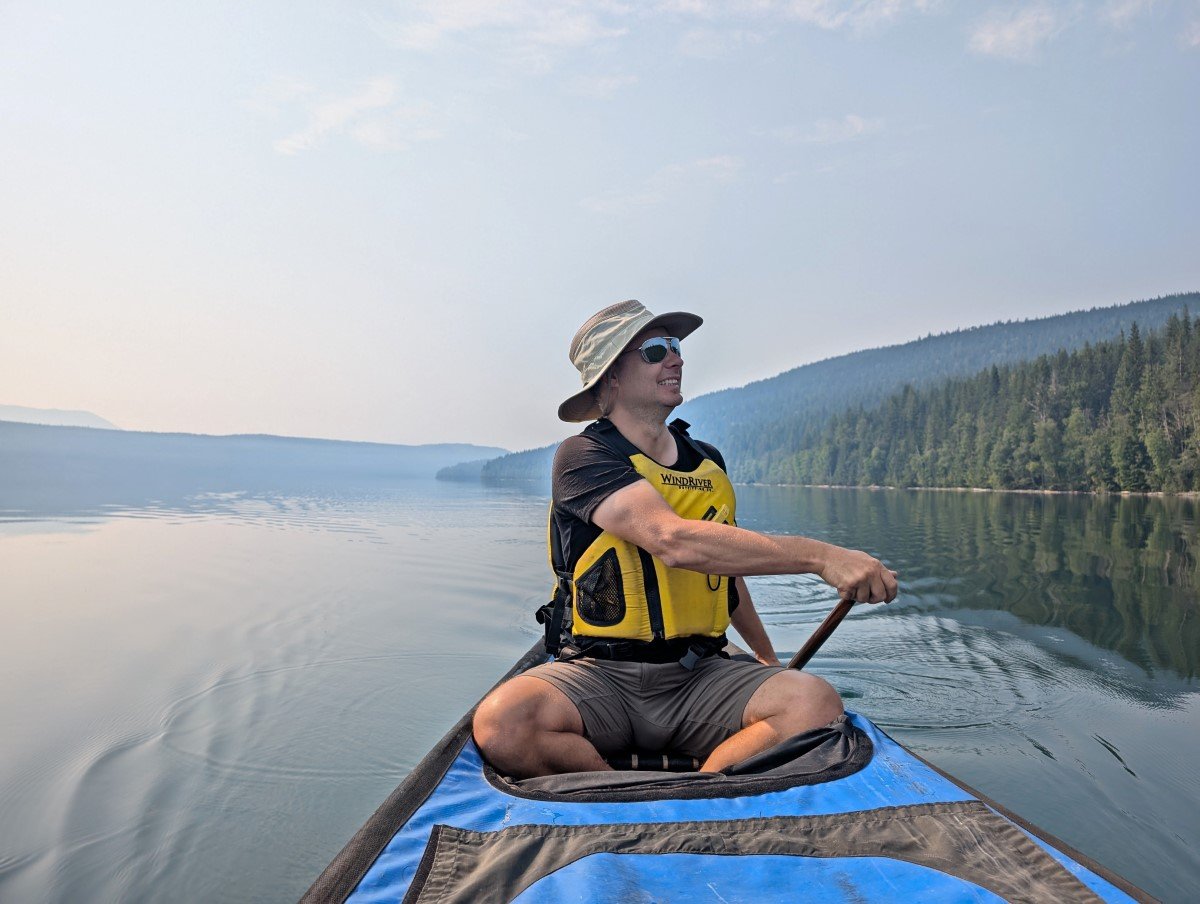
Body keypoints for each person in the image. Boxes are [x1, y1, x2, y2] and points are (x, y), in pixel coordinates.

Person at [473, 300, 898, 779]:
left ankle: (698, 789)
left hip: (700, 674)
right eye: (656, 350)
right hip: (599, 675)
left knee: (815, 703)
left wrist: (765, 657)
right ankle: (616, 791)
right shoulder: (582, 455)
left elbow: (726, 574)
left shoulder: (707, 462)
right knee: (502, 724)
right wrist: (822, 556)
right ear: (611, 376)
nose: (676, 359)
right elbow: (672, 540)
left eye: (676, 348)